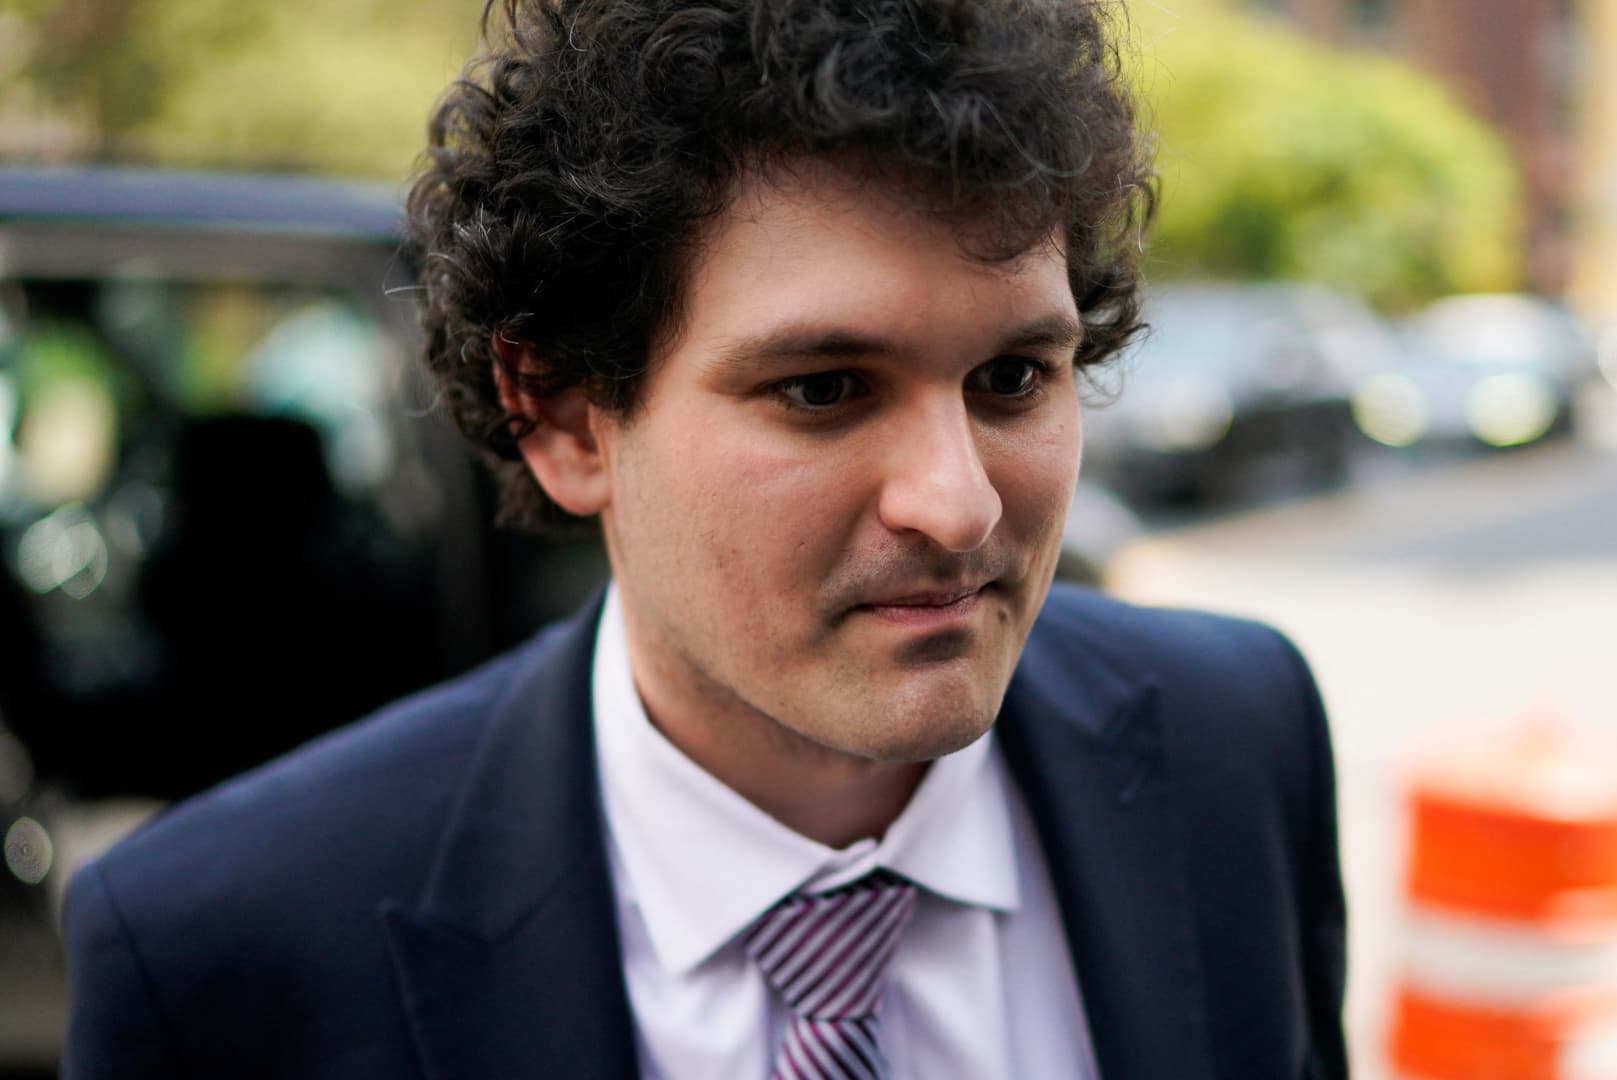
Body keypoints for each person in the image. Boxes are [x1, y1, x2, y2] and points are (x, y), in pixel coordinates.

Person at [60, 1, 1348, 1077]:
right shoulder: (222, 956)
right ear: (565, 418)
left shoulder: (1237, 736)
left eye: (1013, 378)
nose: (957, 505)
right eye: (824, 389)